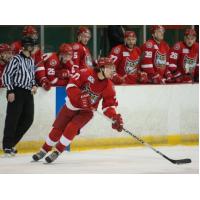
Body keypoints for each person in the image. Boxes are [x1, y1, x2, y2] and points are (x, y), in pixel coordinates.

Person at [32, 57, 124, 163]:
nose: (113, 71)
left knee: (72, 127)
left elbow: (109, 106)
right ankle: (44, 150)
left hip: (87, 112)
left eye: (113, 67)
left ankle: (57, 151)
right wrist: (79, 96)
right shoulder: (85, 73)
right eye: (110, 67)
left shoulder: (109, 86)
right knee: (57, 130)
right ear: (101, 68)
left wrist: (114, 117)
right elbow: (71, 86)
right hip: (72, 105)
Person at [2, 36, 37, 156]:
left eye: (33, 45)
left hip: (28, 93)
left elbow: (32, 76)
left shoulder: (31, 60)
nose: (32, 47)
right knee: (12, 118)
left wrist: (34, 85)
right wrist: (10, 91)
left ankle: (11, 144)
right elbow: (6, 75)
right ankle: (7, 146)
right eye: (31, 45)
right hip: (16, 91)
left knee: (28, 119)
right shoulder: (16, 59)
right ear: (25, 46)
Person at [11, 25, 51, 91]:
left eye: (35, 35)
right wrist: (31, 54)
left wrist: (43, 79)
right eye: (31, 35)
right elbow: (16, 66)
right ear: (25, 36)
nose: (34, 38)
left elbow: (39, 66)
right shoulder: (16, 46)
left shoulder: (36, 48)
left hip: (30, 81)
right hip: (16, 82)